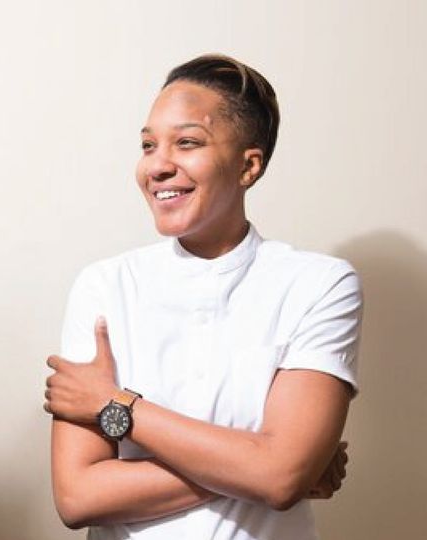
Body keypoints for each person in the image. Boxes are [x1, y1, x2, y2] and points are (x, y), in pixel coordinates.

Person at [44, 54, 361, 540]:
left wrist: (116, 406)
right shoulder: (104, 286)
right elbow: (78, 497)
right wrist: (263, 467)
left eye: (187, 142)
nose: (158, 165)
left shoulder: (319, 284)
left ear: (248, 165)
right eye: (148, 145)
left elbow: (278, 477)